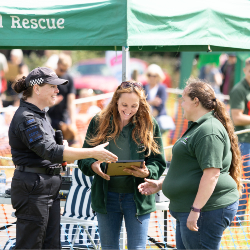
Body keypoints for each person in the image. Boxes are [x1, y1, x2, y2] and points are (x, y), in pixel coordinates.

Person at [8, 67, 118, 249]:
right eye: (52, 86)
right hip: (34, 188)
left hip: (44, 186)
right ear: (36, 88)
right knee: (31, 245)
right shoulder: (27, 117)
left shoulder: (39, 115)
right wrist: (91, 152)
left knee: (51, 245)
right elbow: (51, 152)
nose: (57, 91)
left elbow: (52, 150)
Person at [139, 79, 242, 250]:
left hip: (206, 210)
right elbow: (192, 171)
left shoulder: (208, 130)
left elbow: (211, 175)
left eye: (183, 98)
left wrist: (196, 210)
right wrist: (161, 184)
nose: (181, 103)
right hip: (192, 209)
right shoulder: (198, 127)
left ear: (196, 101)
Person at [78, 81, 166, 250]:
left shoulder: (149, 123)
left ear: (141, 104)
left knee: (137, 248)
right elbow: (84, 157)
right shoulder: (99, 121)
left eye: (134, 105)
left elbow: (158, 161)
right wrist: (93, 166)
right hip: (106, 197)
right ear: (116, 101)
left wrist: (148, 172)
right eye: (124, 104)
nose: (128, 109)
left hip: (137, 198)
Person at [230, 57, 250, 221]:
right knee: (243, 179)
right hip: (243, 141)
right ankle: (236, 217)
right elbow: (236, 118)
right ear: (245, 70)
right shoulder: (239, 89)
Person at [47, 53, 76, 133]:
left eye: (66, 70)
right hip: (48, 116)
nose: (63, 72)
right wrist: (53, 102)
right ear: (57, 64)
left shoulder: (69, 79)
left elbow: (71, 102)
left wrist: (73, 123)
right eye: (61, 70)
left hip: (63, 118)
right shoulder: (49, 77)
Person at [144, 64, 174, 133]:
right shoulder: (143, 87)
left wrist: (152, 115)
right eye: (149, 75)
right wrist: (152, 102)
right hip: (145, 117)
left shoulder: (162, 88)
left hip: (159, 117)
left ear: (158, 76)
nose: (152, 77)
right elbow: (140, 102)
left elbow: (162, 103)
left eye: (154, 75)